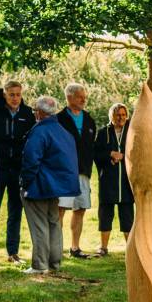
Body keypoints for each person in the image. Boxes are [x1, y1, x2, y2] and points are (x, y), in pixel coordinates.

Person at [0, 81, 36, 266]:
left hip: (18, 169)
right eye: (11, 94)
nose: (15, 98)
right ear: (4, 95)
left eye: (18, 94)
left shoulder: (27, 114)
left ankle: (13, 252)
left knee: (15, 212)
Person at [21, 96, 80, 274]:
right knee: (54, 224)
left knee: (39, 225)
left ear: (39, 113)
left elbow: (31, 160)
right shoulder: (63, 131)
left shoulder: (40, 131)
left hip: (38, 185)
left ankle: (40, 265)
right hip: (56, 187)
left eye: (34, 110)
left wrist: (25, 182)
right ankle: (54, 263)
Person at [56, 82, 98, 259]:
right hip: (64, 173)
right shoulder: (58, 119)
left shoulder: (89, 119)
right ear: (69, 97)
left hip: (83, 172)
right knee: (60, 210)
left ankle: (75, 247)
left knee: (80, 209)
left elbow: (92, 146)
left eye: (84, 96)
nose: (83, 99)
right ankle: (56, 248)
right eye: (80, 96)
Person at [93, 102, 133, 256]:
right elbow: (96, 154)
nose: (120, 118)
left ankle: (130, 248)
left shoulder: (132, 131)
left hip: (126, 181)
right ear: (112, 116)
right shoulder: (103, 133)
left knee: (127, 215)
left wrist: (124, 156)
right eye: (117, 115)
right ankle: (103, 247)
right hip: (108, 181)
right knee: (105, 214)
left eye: (123, 115)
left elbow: (138, 151)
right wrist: (110, 154)